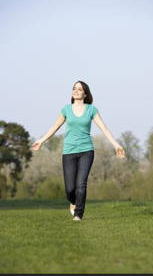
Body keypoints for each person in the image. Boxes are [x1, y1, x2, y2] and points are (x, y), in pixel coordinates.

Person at [31, 80, 126, 221]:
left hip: (86, 151)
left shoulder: (91, 110)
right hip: (69, 152)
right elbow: (54, 127)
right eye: (74, 89)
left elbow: (104, 128)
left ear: (85, 93)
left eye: (79, 89)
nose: (76, 91)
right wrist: (41, 140)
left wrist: (116, 144)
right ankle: (73, 202)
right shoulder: (66, 110)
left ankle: (78, 214)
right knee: (70, 188)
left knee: (81, 184)